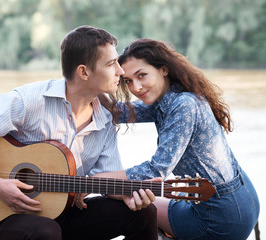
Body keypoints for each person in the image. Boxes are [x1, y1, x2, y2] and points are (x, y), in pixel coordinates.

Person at [0, 26, 158, 240]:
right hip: (10, 213)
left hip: (65, 214)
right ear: (84, 72)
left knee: (143, 214)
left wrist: (130, 194)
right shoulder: (32, 100)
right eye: (111, 64)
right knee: (45, 231)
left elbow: (106, 179)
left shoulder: (105, 119)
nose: (120, 71)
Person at [98, 39, 260, 240]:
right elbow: (119, 112)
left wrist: (98, 179)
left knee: (132, 206)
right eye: (128, 81)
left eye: (142, 75)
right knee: (136, 197)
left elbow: (156, 171)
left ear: (164, 70)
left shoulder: (183, 105)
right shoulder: (169, 97)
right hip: (242, 199)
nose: (136, 87)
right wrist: (95, 85)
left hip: (220, 218)